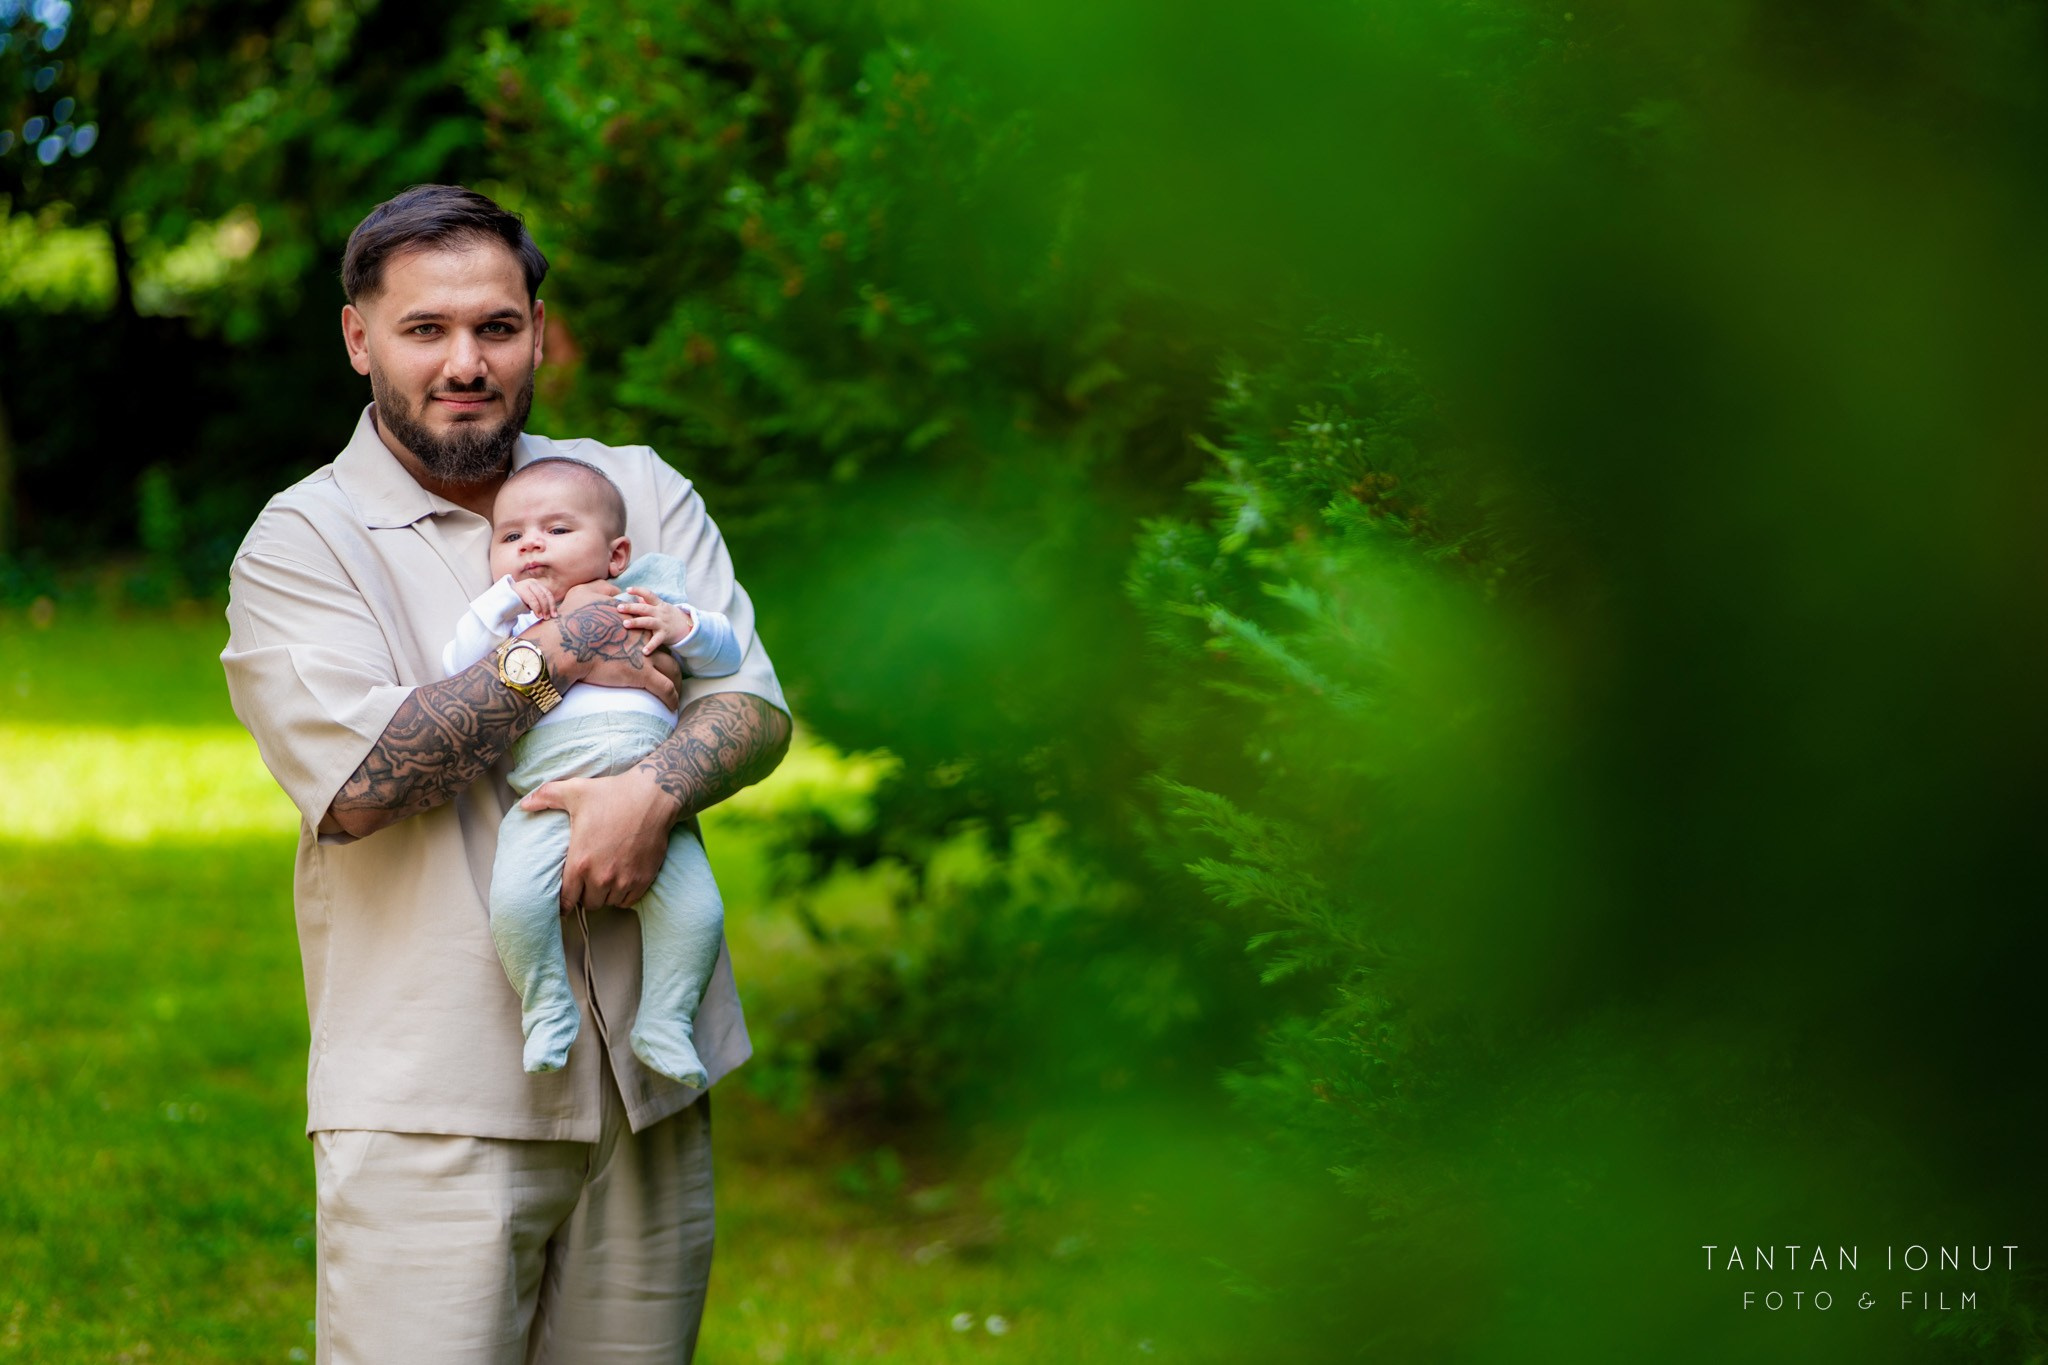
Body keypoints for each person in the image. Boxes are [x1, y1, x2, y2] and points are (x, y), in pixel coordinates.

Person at [221, 183, 790, 1364]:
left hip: (649, 1078)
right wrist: (559, 651)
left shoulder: (631, 487)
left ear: (538, 328)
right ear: (358, 338)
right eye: (425, 329)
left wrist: (652, 792)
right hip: (436, 1101)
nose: (464, 362)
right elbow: (369, 780)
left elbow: (753, 706)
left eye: (496, 326)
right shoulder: (301, 541)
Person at [443, 455, 741, 1085]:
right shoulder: (516, 619)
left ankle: (665, 1020)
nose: (530, 545)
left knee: (699, 914)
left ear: (615, 553)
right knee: (517, 904)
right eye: (510, 536)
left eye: (556, 530)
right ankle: (546, 1007)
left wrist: (680, 627)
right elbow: (457, 666)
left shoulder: (648, 598)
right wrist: (499, 606)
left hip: (651, 791)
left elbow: (727, 652)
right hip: (548, 797)